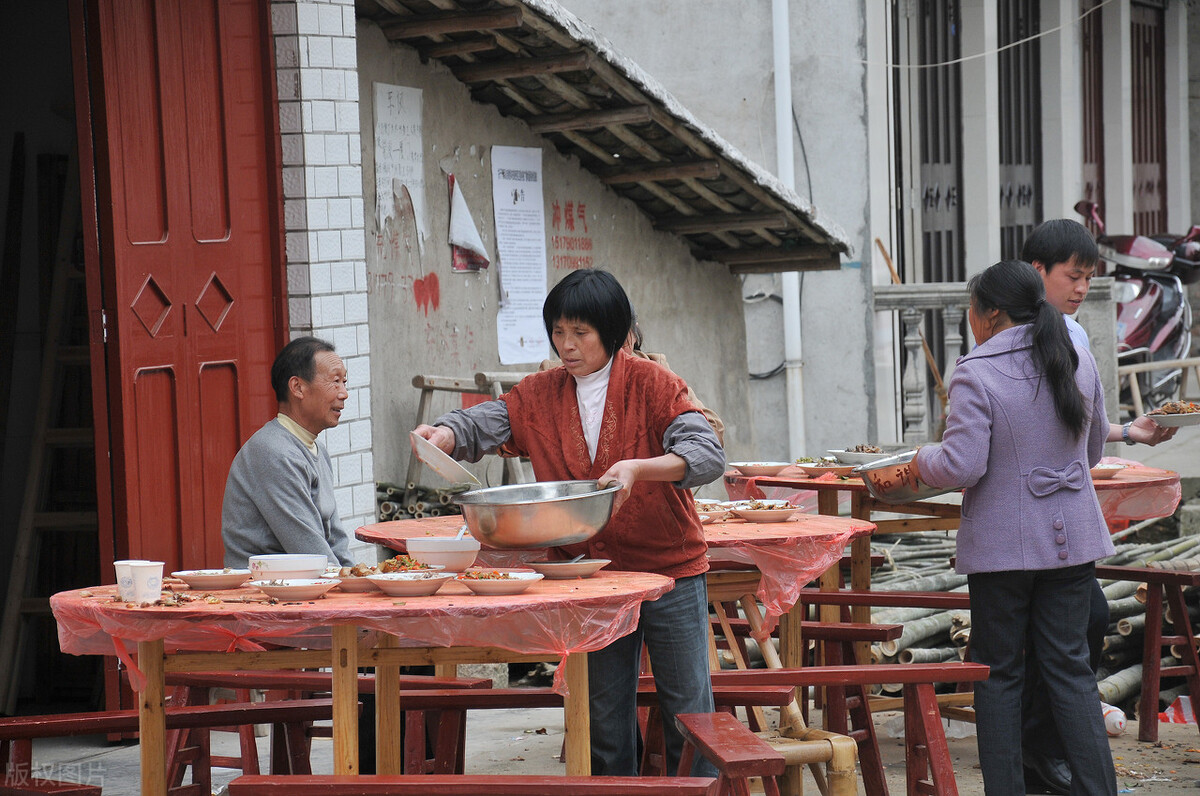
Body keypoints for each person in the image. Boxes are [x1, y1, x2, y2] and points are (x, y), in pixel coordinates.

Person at [413, 268, 724, 777]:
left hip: (671, 571)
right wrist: (445, 432)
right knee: (601, 720)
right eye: (559, 331)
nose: (567, 344)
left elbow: (706, 454)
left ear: (615, 332)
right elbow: (488, 421)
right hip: (588, 575)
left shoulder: (655, 384)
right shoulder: (540, 393)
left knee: (688, 717)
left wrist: (640, 469)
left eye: (581, 332)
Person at [913, 260, 1117, 796]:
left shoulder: (976, 372)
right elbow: (1092, 450)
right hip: (1073, 541)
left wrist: (916, 460)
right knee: (1072, 674)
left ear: (992, 313)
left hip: (1003, 550)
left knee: (999, 676)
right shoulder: (1077, 360)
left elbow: (960, 466)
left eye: (973, 309)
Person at [1020, 220, 1175, 793]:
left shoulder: (1074, 334)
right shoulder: (1012, 330)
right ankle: (1045, 752)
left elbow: (1079, 425)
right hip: (1036, 510)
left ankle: (1044, 749)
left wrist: (1129, 434)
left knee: (1083, 621)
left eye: (1089, 277)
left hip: (1065, 504)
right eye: (1073, 275)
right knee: (1065, 630)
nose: (1082, 287)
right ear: (1038, 272)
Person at [221, 336, 354, 569]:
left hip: (308, 585)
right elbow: (310, 552)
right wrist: (352, 592)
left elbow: (336, 539)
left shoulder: (317, 450)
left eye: (344, 382)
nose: (344, 393)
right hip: (264, 594)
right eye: (335, 381)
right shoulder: (273, 453)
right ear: (298, 387)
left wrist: (356, 579)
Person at [539, 308, 725, 445]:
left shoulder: (656, 372)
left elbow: (712, 428)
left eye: (621, 335)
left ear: (634, 334)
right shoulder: (557, 375)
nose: (613, 345)